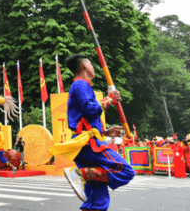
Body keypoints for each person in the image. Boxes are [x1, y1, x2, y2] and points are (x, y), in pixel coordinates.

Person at [53, 54, 135, 211]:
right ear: (84, 66)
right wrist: (109, 99)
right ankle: (79, 173)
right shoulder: (80, 85)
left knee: (97, 195)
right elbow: (90, 109)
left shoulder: (82, 86)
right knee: (125, 170)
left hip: (86, 141)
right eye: (90, 64)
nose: (93, 67)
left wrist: (105, 131)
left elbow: (85, 120)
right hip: (89, 144)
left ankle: (86, 180)